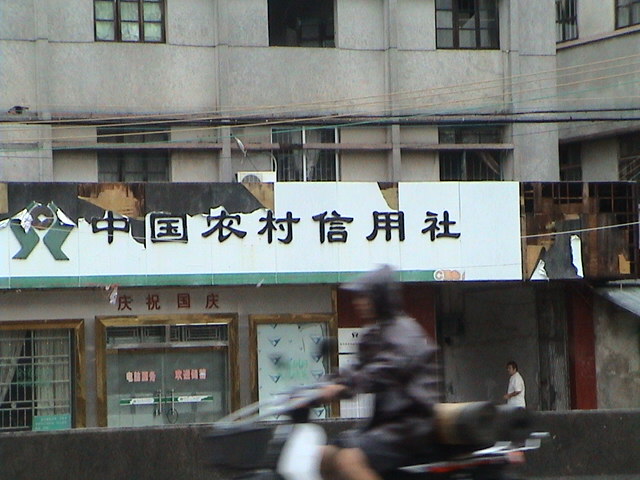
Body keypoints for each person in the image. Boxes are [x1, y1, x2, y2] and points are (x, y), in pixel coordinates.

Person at [316, 265, 442, 480]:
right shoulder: (372, 334)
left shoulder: (405, 332)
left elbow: (387, 368)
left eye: (365, 297)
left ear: (381, 298)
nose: (358, 302)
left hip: (409, 426)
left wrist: (345, 386)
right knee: (323, 456)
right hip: (381, 425)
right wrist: (322, 385)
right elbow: (355, 368)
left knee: (349, 460)